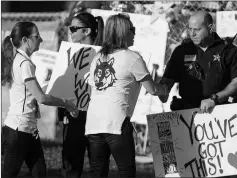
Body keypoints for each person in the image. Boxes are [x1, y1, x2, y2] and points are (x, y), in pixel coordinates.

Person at [85, 13, 166, 178]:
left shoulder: (98, 58)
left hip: (93, 123)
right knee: (126, 171)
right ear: (123, 33)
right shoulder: (132, 58)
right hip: (117, 123)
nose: (134, 33)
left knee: (97, 171)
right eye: (132, 29)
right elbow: (152, 89)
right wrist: (165, 88)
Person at [1, 21, 78, 178]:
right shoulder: (24, 63)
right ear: (25, 40)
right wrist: (66, 103)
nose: (41, 40)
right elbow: (41, 97)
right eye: (37, 36)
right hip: (18, 130)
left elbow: (34, 93)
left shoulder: (22, 60)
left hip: (28, 130)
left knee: (40, 173)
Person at [159, 11, 237, 113]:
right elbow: (168, 79)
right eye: (190, 29)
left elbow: (235, 82)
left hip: (219, 113)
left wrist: (214, 99)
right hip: (186, 112)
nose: (192, 34)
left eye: (197, 29)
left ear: (210, 27)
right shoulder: (182, 50)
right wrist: (162, 90)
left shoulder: (228, 51)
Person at [57, 12, 104, 178]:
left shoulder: (101, 55)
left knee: (97, 165)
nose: (71, 31)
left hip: (95, 115)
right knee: (71, 164)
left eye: (75, 28)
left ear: (87, 31)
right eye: (71, 27)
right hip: (73, 112)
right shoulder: (68, 53)